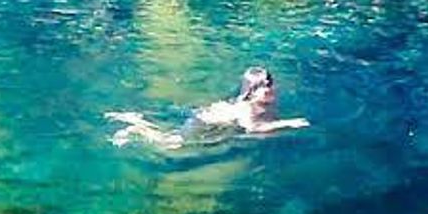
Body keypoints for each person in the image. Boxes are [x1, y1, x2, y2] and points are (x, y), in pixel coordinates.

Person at [106, 67, 309, 150]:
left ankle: (136, 120)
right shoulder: (248, 108)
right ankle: (135, 125)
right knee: (170, 143)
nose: (270, 88)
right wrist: (288, 123)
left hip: (212, 116)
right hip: (202, 122)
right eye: (265, 87)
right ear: (252, 92)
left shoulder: (260, 102)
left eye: (271, 83)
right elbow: (252, 128)